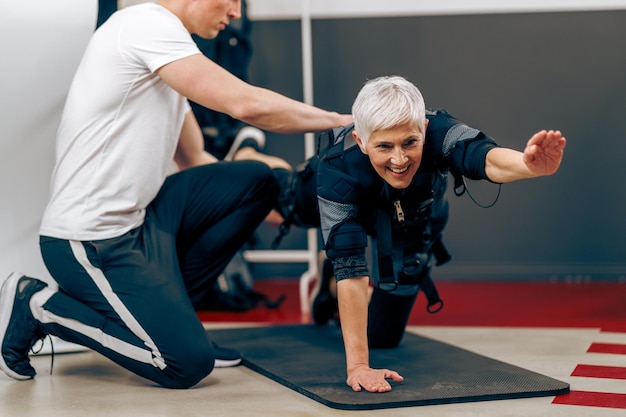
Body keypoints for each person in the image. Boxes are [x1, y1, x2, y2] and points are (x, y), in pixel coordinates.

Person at [0, 0, 351, 389]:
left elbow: (195, 159)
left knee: (257, 180)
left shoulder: (171, 52)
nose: (236, 13)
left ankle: (176, 322)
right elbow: (245, 104)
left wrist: (282, 204)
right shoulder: (146, 24)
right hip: (88, 239)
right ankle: (38, 306)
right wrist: (343, 123)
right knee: (183, 363)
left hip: (141, 225)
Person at [274, 75, 566, 393]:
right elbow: (350, 265)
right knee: (278, 199)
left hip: (404, 219)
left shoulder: (439, 128)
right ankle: (253, 157)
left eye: (409, 143)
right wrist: (358, 366)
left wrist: (528, 166)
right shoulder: (338, 166)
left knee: (383, 336)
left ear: (423, 131)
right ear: (360, 141)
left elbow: (483, 158)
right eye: (384, 146)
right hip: (341, 196)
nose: (400, 160)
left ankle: (327, 286)